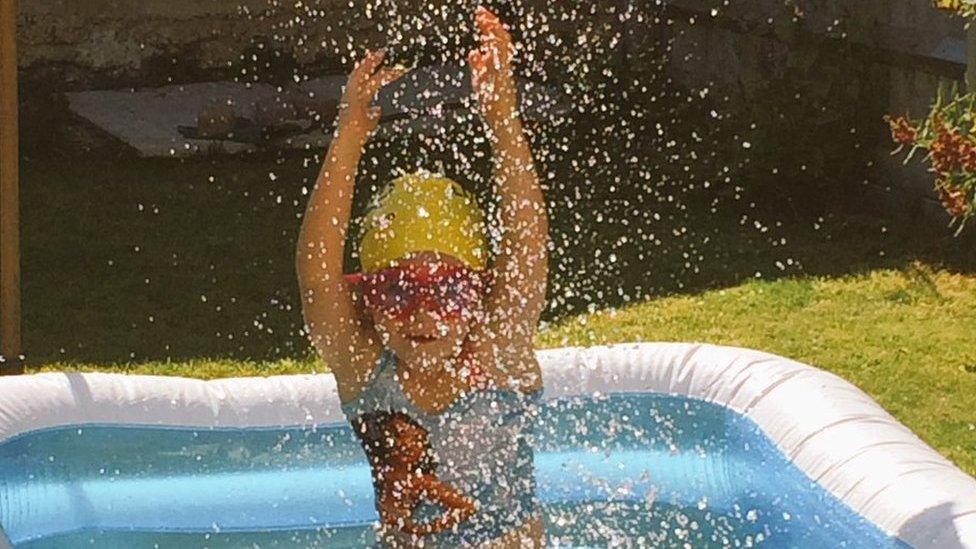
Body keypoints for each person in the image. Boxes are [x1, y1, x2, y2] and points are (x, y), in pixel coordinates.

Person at [296, 6, 548, 547]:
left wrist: (502, 118)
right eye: (398, 290)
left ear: (479, 293)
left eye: (449, 291)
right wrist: (348, 137)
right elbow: (317, 274)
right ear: (364, 297)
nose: (424, 314)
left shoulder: (497, 353)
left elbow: (526, 241)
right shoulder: (365, 366)